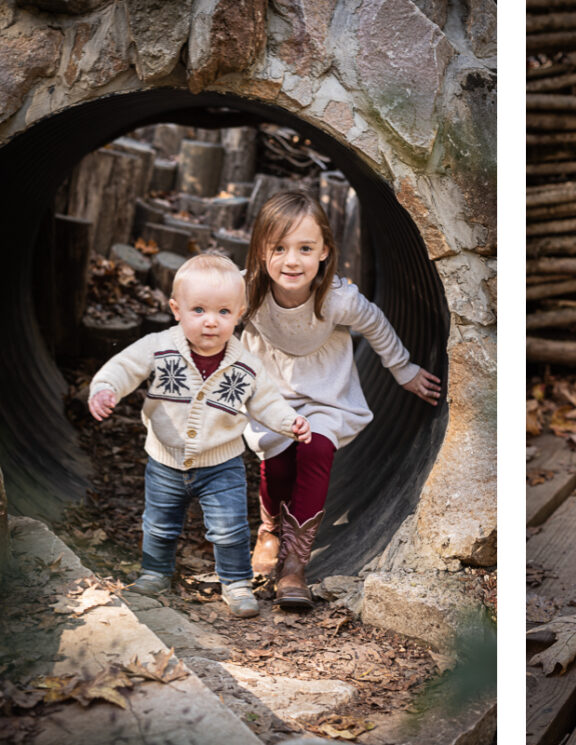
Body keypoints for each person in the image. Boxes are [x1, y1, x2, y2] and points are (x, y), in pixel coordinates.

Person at [241, 190, 442, 609]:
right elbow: (213, 318)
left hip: (326, 395)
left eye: (305, 248)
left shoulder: (337, 298)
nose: (292, 260)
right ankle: (269, 528)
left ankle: (295, 565)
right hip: (272, 394)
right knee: (276, 466)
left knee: (315, 450)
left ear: (324, 253)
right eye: (279, 248)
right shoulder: (249, 295)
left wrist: (403, 370)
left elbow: (377, 324)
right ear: (261, 251)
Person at [89, 254, 312, 618]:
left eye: (224, 312)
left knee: (229, 529)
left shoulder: (245, 365)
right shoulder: (159, 347)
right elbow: (124, 367)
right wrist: (105, 389)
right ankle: (155, 573)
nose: (211, 321)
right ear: (176, 310)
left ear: (239, 314)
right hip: (165, 460)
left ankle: (236, 583)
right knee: (159, 525)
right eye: (198, 310)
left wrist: (290, 422)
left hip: (221, 464)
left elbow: (267, 401)